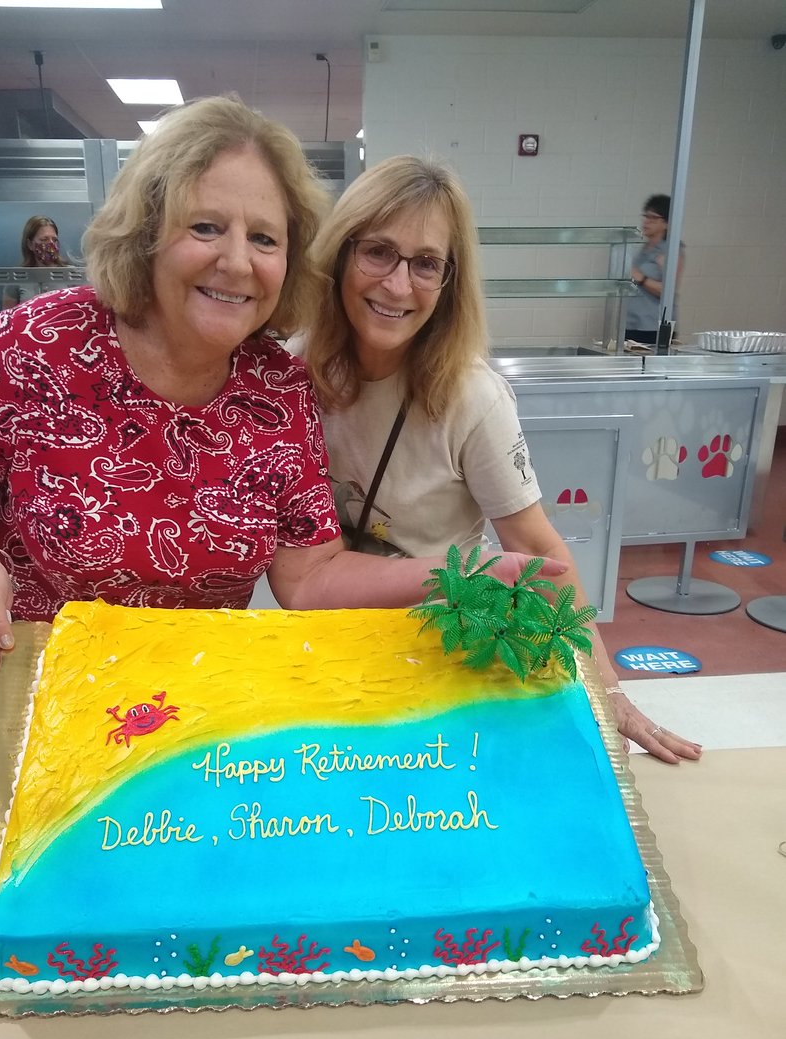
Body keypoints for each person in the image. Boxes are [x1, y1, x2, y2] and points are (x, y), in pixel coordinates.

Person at [0, 98, 551, 726]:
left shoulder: (278, 390)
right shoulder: (38, 343)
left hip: (186, 703)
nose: (236, 262)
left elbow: (309, 572)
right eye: (206, 226)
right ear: (150, 231)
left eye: (264, 238)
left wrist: (457, 575)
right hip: (38, 693)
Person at [296, 156, 701, 766]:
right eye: (377, 251)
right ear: (340, 254)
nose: (398, 285)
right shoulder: (291, 372)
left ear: (450, 281)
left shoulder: (470, 398)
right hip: (323, 629)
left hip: (439, 635)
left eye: (427, 264)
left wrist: (606, 689)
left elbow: (538, 551)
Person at [625, 194, 682, 345]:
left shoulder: (670, 251)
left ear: (666, 223)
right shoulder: (643, 250)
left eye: (653, 218)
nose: (646, 221)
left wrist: (640, 278)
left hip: (652, 327)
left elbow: (667, 291)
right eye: (646, 216)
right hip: (631, 323)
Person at [2, 215, 70, 309]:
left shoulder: (70, 274)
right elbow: (7, 317)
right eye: (44, 239)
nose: (51, 244)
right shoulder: (16, 277)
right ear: (30, 244)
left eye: (54, 240)